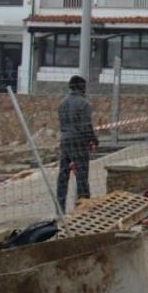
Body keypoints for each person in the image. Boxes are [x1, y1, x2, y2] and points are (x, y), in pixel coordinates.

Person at [57, 75, 98, 212]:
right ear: (82, 87)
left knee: (63, 176)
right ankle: (84, 208)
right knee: (82, 177)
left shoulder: (62, 103)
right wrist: (93, 139)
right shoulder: (84, 103)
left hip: (65, 140)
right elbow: (86, 126)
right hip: (79, 142)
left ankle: (60, 209)